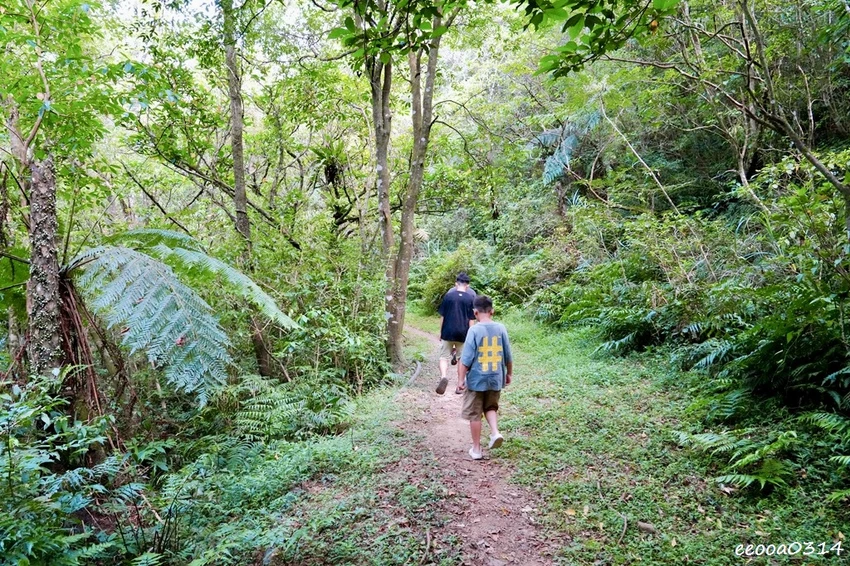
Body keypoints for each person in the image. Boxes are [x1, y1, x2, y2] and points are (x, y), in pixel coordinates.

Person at [456, 295, 513, 460]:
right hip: (496, 376)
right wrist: (508, 374)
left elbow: (466, 359)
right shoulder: (501, 328)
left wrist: (460, 380)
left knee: (475, 413)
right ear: (492, 311)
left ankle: (476, 449)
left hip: (476, 379)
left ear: (475, 313)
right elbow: (508, 355)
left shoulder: (474, 330)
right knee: (491, 407)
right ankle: (495, 433)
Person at [435, 272, 476, 395]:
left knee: (443, 357)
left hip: (448, 331)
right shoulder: (471, 298)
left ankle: (443, 376)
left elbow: (442, 316)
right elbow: (471, 320)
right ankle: (459, 385)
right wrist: (471, 335)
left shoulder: (448, 296)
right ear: (467, 285)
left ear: (455, 284)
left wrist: (440, 332)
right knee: (461, 359)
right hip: (463, 334)